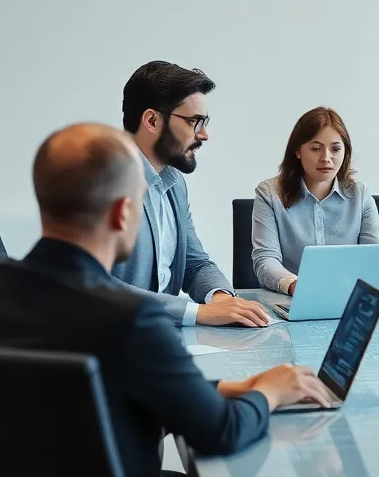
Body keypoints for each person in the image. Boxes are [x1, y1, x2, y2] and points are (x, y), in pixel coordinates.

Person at [0, 123, 328, 477]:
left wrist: (223, 386)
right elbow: (220, 432)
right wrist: (268, 391)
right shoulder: (132, 320)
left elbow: (94, 385)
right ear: (125, 212)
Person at [113, 60, 271, 328]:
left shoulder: (173, 181)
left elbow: (194, 263)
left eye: (204, 122)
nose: (204, 135)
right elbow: (92, 282)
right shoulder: (102, 179)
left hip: (160, 337)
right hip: (117, 340)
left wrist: (220, 299)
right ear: (152, 120)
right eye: (194, 122)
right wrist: (194, 312)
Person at [251, 107, 379, 294]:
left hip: (348, 298)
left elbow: (375, 257)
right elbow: (265, 259)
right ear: (297, 151)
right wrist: (295, 286)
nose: (326, 158)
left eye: (335, 149)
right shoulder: (270, 193)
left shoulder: (360, 194)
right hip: (291, 299)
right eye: (315, 149)